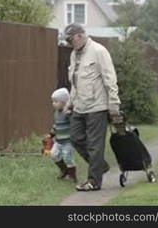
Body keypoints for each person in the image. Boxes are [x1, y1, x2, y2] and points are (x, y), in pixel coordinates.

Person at [63, 23, 122, 191]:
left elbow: (110, 79)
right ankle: (100, 166)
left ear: (80, 36)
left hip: (97, 106)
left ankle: (94, 181)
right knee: (75, 138)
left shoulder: (99, 51)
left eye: (70, 40)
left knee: (95, 145)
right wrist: (70, 103)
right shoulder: (74, 55)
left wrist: (114, 103)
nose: (69, 43)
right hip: (80, 106)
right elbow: (75, 82)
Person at [44, 87, 77, 183]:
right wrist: (50, 135)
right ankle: (64, 170)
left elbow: (74, 123)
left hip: (67, 141)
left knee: (67, 157)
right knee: (54, 155)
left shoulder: (67, 113)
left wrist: (70, 114)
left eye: (55, 101)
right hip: (58, 141)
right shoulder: (56, 114)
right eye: (53, 101)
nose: (53, 103)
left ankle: (72, 174)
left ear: (63, 102)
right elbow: (56, 126)